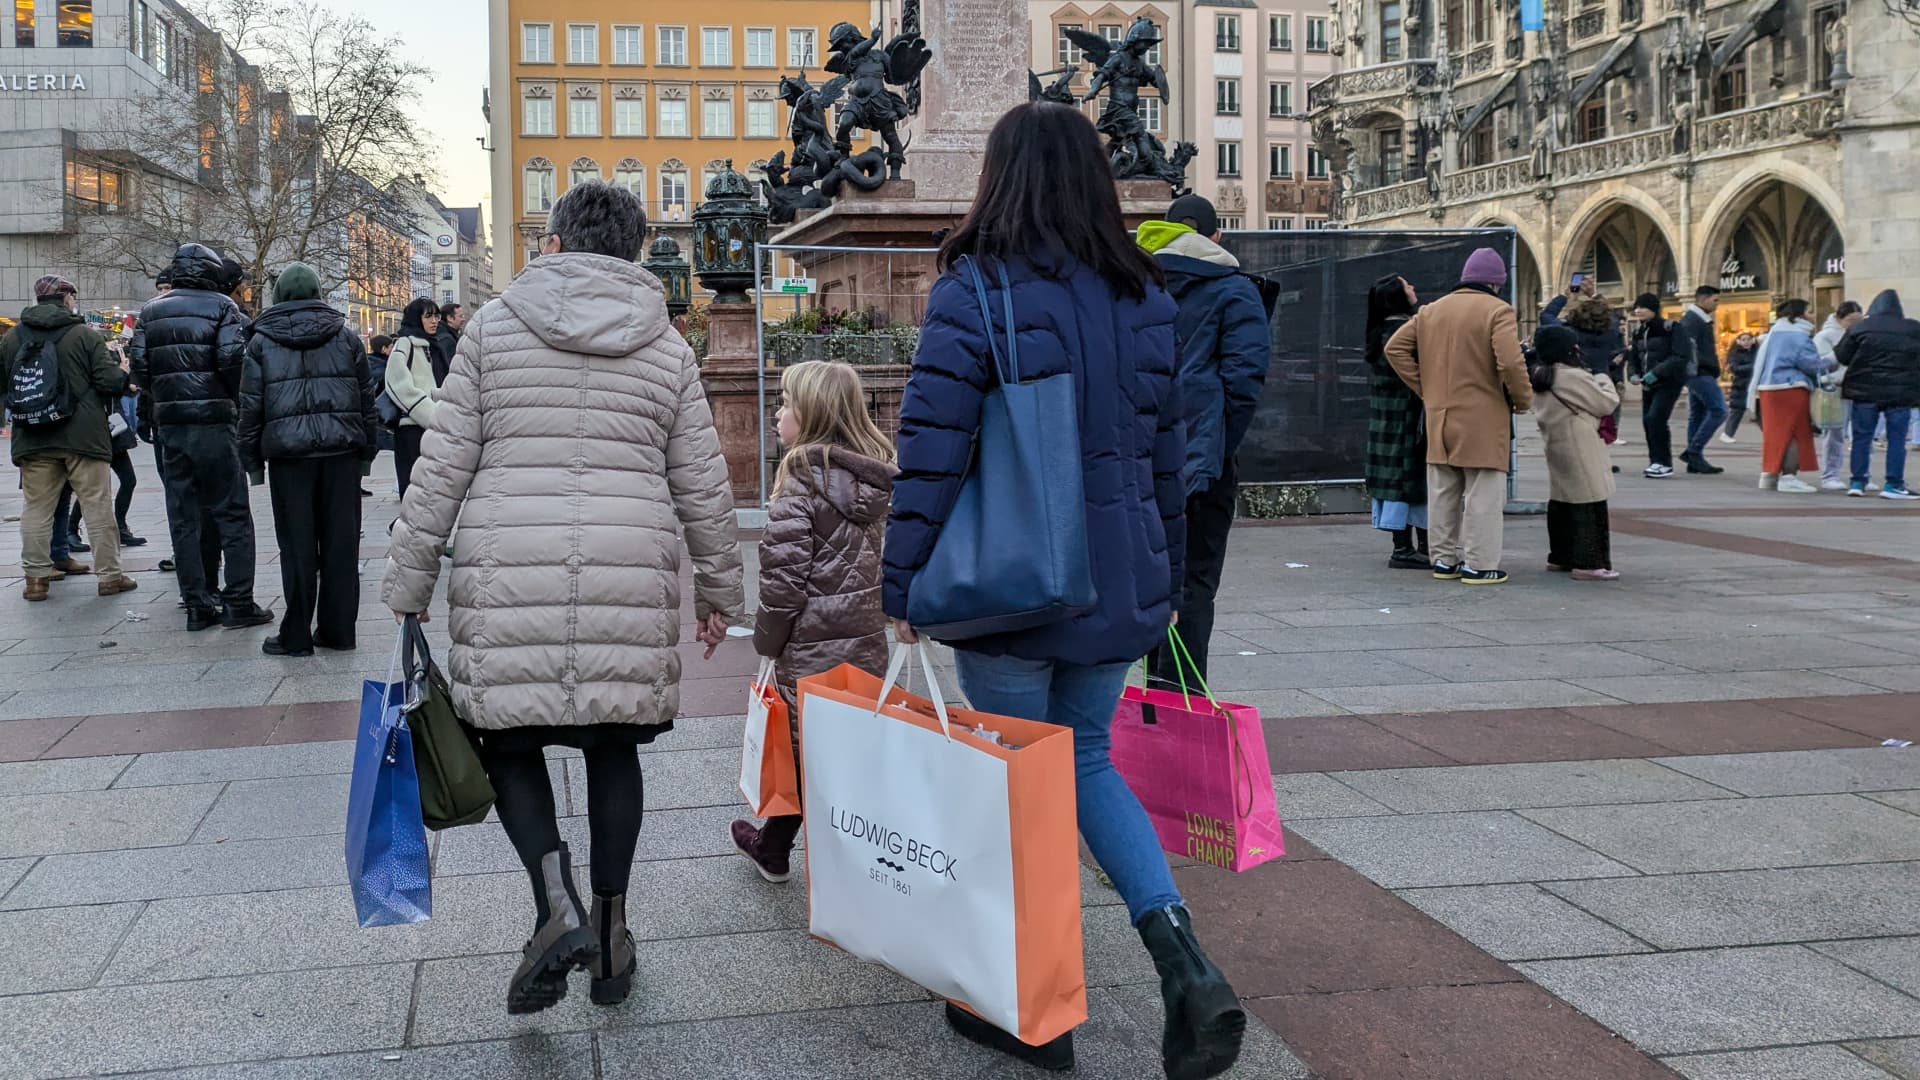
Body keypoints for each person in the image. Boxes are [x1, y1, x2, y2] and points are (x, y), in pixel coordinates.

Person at [884, 102, 1244, 1080]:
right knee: (1084, 761)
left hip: (1010, 586)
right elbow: (1167, 461)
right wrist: (1164, 576)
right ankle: (1186, 962)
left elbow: (932, 453)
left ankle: (1033, 1013)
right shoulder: (1146, 298)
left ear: (1000, 179)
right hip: (1118, 582)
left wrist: (901, 578)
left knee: (1018, 777)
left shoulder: (974, 293)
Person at [382, 180, 743, 1016]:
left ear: (555, 241)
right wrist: (721, 591)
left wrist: (408, 583)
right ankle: (612, 937)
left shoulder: (494, 329)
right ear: (634, 246)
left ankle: (554, 905)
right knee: (614, 744)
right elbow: (703, 482)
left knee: (510, 742)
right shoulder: (667, 344)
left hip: (511, 569)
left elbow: (443, 466)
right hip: (629, 569)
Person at [730, 360, 895, 883]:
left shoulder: (800, 484)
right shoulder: (874, 479)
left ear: (813, 414)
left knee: (806, 755)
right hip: (866, 642)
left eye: (785, 404)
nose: (777, 415)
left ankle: (810, 858)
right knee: (843, 751)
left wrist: (767, 644)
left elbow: (782, 584)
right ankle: (778, 845)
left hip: (810, 647)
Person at [1135, 193, 1272, 682]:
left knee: (1139, 574)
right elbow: (1245, 380)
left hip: (1133, 456)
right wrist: (1217, 447)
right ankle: (1179, 695)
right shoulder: (1234, 290)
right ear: (1216, 237)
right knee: (1194, 579)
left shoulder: (1135, 281)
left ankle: (1142, 693)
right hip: (1200, 460)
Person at [237, 263, 381, 657]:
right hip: (341, 454)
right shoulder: (346, 338)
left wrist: (251, 462)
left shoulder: (261, 343)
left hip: (289, 457)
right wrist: (367, 454)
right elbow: (366, 402)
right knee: (341, 544)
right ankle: (338, 630)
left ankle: (296, 634)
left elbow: (250, 407)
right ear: (318, 292)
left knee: (297, 545)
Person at [132, 243, 273, 631]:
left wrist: (162, 394)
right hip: (213, 421)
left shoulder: (150, 311)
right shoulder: (223, 307)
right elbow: (232, 361)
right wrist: (232, 399)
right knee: (232, 513)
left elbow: (140, 368)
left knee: (183, 516)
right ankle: (238, 601)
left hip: (171, 425)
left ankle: (197, 604)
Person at [1385, 247, 1532, 585]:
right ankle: (1480, 565)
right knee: (1482, 491)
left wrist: (1426, 388)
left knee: (1443, 490)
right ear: (1496, 283)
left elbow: (1394, 348)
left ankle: (1444, 560)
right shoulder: (1498, 311)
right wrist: (1521, 400)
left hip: (1439, 416)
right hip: (1483, 417)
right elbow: (1510, 362)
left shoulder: (1431, 311)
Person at [1, 275, 139, 601]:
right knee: (97, 506)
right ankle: (110, 577)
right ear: (66, 298)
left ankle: (36, 579)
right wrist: (121, 373)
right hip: (83, 436)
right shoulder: (83, 335)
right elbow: (107, 381)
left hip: (33, 435)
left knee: (36, 509)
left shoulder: (13, 337)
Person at [1531, 325, 1621, 581]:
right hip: (1581, 445)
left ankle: (1560, 557)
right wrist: (1603, 378)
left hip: (1557, 444)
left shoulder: (1540, 374)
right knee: (1589, 502)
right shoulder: (1571, 376)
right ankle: (1589, 562)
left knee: (1562, 501)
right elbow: (1605, 403)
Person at [1362, 274, 1428, 568]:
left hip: (1386, 418)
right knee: (1413, 480)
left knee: (1397, 482)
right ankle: (1411, 549)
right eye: (1408, 285)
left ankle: (1406, 546)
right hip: (1407, 416)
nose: (1413, 288)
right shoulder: (1405, 332)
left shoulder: (1379, 330)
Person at [1834, 289, 1920, 500]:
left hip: (1863, 390)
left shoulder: (1859, 327)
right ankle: (1893, 484)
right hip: (1900, 391)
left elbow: (1843, 356)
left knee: (1862, 437)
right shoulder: (1913, 328)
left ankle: (1857, 482)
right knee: (1896, 440)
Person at [1749, 299, 1828, 493]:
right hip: (1791, 388)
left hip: (1768, 389)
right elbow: (1811, 365)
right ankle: (1788, 477)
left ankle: (1770, 475)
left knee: (1775, 435)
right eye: (1809, 311)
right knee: (1794, 433)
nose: (1813, 315)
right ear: (1798, 315)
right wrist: (1831, 362)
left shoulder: (1774, 334)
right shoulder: (1798, 337)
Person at [384, 298, 441, 499]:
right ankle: (403, 528)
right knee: (413, 488)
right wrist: (430, 413)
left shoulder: (434, 345)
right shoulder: (405, 344)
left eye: (436, 316)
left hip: (434, 428)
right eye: (428, 316)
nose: (434, 321)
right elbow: (398, 384)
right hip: (412, 428)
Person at [1674, 286, 1727, 475]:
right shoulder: (1692, 320)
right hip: (1699, 373)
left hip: (1700, 372)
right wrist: (1694, 371)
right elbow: (1688, 349)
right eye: (1715, 300)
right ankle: (1693, 451)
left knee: (1697, 414)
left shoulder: (1700, 320)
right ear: (1703, 299)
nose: (1717, 304)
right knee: (1719, 410)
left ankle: (1694, 460)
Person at [1629, 293, 1681, 477]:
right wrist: (1633, 374)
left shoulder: (1671, 328)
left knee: (1655, 418)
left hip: (1669, 382)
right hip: (1647, 383)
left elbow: (1680, 356)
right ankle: (1655, 461)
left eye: (1643, 307)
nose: (1638, 310)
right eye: (1637, 307)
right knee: (1648, 421)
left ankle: (1663, 463)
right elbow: (1634, 357)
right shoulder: (1638, 331)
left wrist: (1657, 372)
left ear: (1653, 308)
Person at [1812, 300, 1864, 488]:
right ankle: (1830, 474)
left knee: (1862, 431)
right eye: (1851, 320)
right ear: (1839, 318)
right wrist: (1842, 371)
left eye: (1859, 320)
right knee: (1835, 432)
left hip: (1858, 387)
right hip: (1836, 389)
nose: (1855, 324)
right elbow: (1821, 364)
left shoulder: (1862, 333)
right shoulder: (1825, 336)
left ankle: (1861, 472)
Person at [1720, 331, 1759, 442]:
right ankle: (1727, 434)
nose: (1746, 342)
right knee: (1737, 411)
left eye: (1748, 339)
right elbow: (1735, 368)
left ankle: (1768, 435)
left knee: (1760, 411)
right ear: (1739, 341)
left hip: (1754, 386)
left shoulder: (1757, 351)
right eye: (1743, 340)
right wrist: (1752, 367)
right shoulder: (1736, 353)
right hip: (1740, 386)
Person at [432, 302, 464, 385]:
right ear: (449, 318)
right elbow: (452, 368)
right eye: (460, 316)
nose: (463, 319)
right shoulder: (447, 339)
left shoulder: (441, 334)